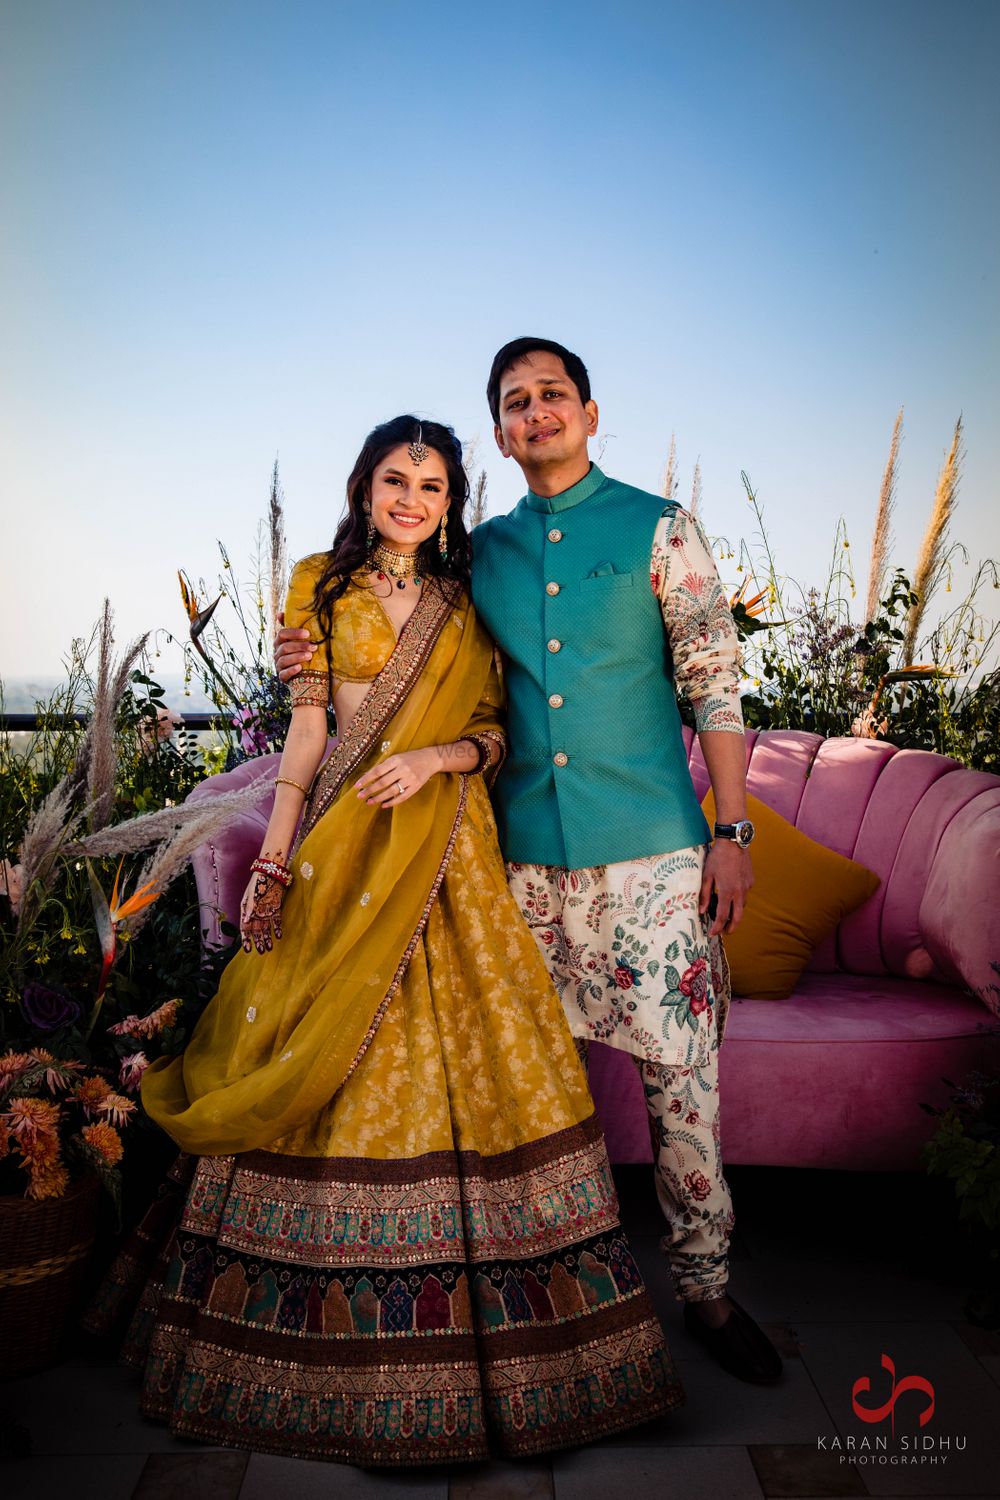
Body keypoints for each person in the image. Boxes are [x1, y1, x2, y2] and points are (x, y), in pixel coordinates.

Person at [87, 415, 683, 1468]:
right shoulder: (320, 584)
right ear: (366, 487)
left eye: (434, 486)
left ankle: (522, 1357)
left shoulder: (466, 601)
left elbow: (503, 730)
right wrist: (276, 857)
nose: (412, 499)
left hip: (450, 853)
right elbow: (308, 733)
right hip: (345, 853)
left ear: (453, 504)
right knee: (315, 1047)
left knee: (484, 1060)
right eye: (396, 480)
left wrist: (442, 757)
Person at [276, 346, 783, 1386]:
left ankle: (707, 1289)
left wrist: (730, 834)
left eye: (553, 394)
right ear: (499, 435)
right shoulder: (480, 557)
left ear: (589, 412)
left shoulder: (658, 528)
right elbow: (400, 621)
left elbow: (716, 689)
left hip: (652, 860)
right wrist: (305, 644)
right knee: (515, 1082)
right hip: (514, 868)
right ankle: (537, 1294)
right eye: (515, 403)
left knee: (680, 1082)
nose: (537, 411)